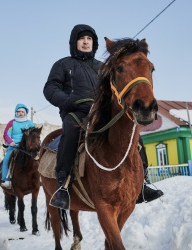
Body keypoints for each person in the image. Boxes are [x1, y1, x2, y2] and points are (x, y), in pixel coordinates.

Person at [43, 24, 163, 210]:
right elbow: (50, 88)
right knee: (71, 131)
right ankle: (63, 186)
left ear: (94, 43)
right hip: (76, 112)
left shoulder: (102, 67)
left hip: (101, 112)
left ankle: (142, 183)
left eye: (89, 39)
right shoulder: (63, 64)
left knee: (133, 133)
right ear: (74, 42)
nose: (85, 42)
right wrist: (68, 101)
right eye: (81, 38)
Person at [0, 103, 35, 189]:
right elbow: (6, 134)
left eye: (22, 112)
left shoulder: (30, 123)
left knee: (37, 158)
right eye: (18, 111)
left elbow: (34, 135)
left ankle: (40, 177)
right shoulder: (12, 123)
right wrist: (10, 142)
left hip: (27, 147)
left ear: (25, 113)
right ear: (16, 112)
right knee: (6, 159)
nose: (20, 113)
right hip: (14, 146)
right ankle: (6, 179)